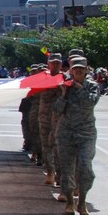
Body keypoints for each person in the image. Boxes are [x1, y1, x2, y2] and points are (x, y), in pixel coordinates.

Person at [54, 56, 100, 215]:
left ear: (86, 70)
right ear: (71, 70)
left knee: (85, 168)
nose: (78, 71)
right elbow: (57, 109)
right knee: (67, 170)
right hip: (66, 133)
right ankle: (69, 203)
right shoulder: (65, 85)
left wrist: (79, 88)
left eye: (81, 68)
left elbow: (91, 102)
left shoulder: (92, 86)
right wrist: (64, 95)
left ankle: (82, 201)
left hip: (86, 134)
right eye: (75, 68)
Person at [37, 53, 64, 188]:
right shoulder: (43, 78)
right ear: (48, 63)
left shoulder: (65, 78)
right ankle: (50, 172)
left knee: (58, 147)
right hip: (44, 116)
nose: (55, 65)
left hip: (59, 118)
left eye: (57, 63)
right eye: (52, 62)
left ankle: (60, 174)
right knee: (46, 146)